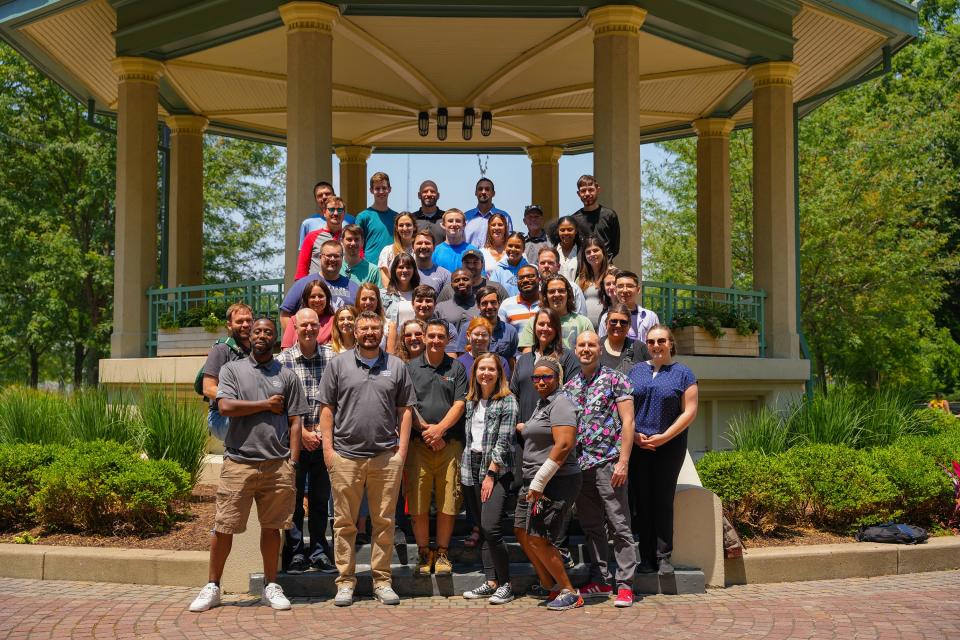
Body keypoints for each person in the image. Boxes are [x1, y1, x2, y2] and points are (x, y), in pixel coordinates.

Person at [189, 317, 308, 613]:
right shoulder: (232, 369)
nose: (262, 335)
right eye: (257, 331)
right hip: (239, 462)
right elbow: (225, 405)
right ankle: (213, 587)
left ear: (276, 338)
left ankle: (271, 585)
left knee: (272, 528)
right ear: (250, 336)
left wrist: (293, 462)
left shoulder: (288, 375)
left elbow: (295, 422)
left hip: (277, 464)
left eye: (268, 331)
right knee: (223, 526)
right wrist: (265, 405)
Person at [317, 311, 415, 607]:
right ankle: (345, 582)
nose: (370, 332)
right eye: (365, 328)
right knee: (344, 523)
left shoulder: (396, 366)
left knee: (384, 522)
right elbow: (327, 410)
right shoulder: (338, 364)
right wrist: (328, 451)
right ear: (355, 332)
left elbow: (405, 410)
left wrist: (401, 453)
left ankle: (382, 581)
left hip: (386, 457)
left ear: (382, 331)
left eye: (375, 328)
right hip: (346, 456)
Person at [565, 331, 637, 607]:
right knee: (592, 526)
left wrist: (623, 461)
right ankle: (600, 579)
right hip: (580, 467)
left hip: (609, 463)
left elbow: (628, 422)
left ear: (599, 349)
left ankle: (625, 585)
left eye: (591, 345)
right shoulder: (570, 385)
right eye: (581, 345)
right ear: (575, 349)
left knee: (619, 525)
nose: (585, 349)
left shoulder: (616, 379)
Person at [627, 324, 699, 575]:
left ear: (670, 344)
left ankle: (664, 556)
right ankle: (646, 558)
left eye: (661, 341)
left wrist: (664, 437)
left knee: (663, 500)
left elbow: (689, 411)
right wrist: (634, 435)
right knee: (642, 501)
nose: (656, 346)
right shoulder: (635, 372)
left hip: (669, 445)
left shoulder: (683, 374)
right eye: (651, 341)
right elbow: (624, 408)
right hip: (638, 444)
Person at [513, 357, 583, 611]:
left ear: (558, 378)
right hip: (533, 479)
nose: (540, 382)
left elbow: (564, 445)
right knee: (522, 531)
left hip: (556, 480)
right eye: (536, 378)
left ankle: (569, 591)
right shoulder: (543, 404)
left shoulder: (561, 403)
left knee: (539, 536)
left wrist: (540, 481)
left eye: (546, 377)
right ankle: (549, 584)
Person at [405, 319, 467, 576]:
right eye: (431, 336)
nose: (435, 340)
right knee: (417, 500)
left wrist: (440, 430)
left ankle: (442, 553)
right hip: (419, 444)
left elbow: (460, 404)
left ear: (447, 339)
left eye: (440, 336)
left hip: (449, 444)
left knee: (447, 501)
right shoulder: (410, 367)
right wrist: (428, 432)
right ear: (424, 337)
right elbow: (407, 405)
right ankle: (423, 552)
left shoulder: (457, 367)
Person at [277, 308, 337, 575]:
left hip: (324, 441)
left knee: (320, 499)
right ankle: (296, 552)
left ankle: (320, 551)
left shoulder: (332, 359)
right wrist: (301, 433)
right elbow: (279, 406)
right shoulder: (283, 361)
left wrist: (323, 434)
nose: (310, 329)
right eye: (304, 325)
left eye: (314, 324)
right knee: (293, 501)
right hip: (294, 442)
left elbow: (338, 400)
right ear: (295, 326)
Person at [460, 353, 518, 604]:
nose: (485, 373)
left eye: (490, 369)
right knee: (482, 528)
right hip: (470, 466)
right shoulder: (470, 401)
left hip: (494, 469)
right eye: (481, 369)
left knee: (492, 527)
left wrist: (491, 474)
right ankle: (490, 581)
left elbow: (504, 443)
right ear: (475, 373)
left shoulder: (508, 401)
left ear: (499, 373)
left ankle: (506, 583)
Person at [510, 308, 581, 428]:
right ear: (534, 327)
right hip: (522, 432)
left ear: (557, 329)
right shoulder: (523, 359)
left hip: (553, 431)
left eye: (550, 325)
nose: (545, 328)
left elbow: (573, 396)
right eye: (541, 324)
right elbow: (513, 395)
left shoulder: (567, 358)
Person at [280, 240, 359, 336]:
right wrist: (296, 338)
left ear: (342, 258)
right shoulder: (302, 284)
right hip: (309, 346)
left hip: (344, 347)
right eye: (328, 256)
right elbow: (285, 315)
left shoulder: (354, 287)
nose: (332, 259)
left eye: (337, 256)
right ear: (320, 257)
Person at [201, 303, 252, 441]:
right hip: (221, 415)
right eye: (240, 321)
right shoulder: (221, 349)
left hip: (248, 411)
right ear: (229, 325)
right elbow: (208, 388)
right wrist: (238, 401)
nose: (246, 324)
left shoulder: (257, 350)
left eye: (249, 320)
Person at [518, 274, 593, 352]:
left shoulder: (584, 323)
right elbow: (527, 354)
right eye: (551, 291)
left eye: (561, 291)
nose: (557, 294)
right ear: (545, 296)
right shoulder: (535, 322)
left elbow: (592, 351)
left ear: (568, 294)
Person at [454, 286, 518, 365]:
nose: (489, 306)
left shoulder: (510, 331)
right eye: (484, 303)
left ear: (499, 303)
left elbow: (512, 363)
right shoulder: (467, 327)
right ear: (478, 305)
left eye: (493, 302)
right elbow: (462, 358)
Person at [296, 196, 351, 279]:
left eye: (339, 210)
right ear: (324, 212)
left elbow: (359, 260)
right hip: (317, 289)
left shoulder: (350, 238)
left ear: (344, 214)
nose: (336, 213)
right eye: (331, 209)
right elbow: (301, 270)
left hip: (343, 289)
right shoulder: (311, 237)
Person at [598, 270, 659, 343]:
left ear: (638, 290)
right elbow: (602, 346)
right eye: (620, 286)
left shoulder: (650, 317)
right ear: (615, 290)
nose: (625, 290)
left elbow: (657, 343)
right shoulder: (606, 318)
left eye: (629, 286)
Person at [570, 175, 620, 259]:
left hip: (606, 267)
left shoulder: (609, 215)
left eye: (590, 190)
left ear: (598, 190)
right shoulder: (574, 219)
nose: (587, 194)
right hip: (583, 269)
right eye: (583, 191)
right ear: (578, 194)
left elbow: (615, 247)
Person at [355, 171, 399, 262]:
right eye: (377, 188)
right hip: (369, 268)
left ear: (390, 189)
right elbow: (357, 245)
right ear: (371, 190)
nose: (381, 192)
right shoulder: (363, 217)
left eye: (384, 188)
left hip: (392, 267)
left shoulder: (397, 217)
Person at [279, 278, 334, 349]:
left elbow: (335, 349)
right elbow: (286, 348)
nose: (317, 300)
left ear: (327, 298)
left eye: (321, 296)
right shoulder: (295, 319)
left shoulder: (334, 321)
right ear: (306, 299)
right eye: (312, 296)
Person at [437, 249, 508, 302]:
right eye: (467, 262)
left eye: (475, 262)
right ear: (462, 264)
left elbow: (507, 310)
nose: (471, 266)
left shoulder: (496, 288)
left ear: (482, 264)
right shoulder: (449, 289)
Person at [382, 253, 420, 352]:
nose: (404, 270)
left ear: (414, 270)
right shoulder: (384, 295)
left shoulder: (419, 295)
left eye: (408, 267)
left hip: (415, 345)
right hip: (392, 346)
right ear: (394, 270)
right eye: (401, 267)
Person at [299, 181, 355, 247]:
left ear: (334, 196)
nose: (324, 197)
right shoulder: (307, 224)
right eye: (320, 195)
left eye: (327, 194)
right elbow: (304, 253)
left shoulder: (351, 220)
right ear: (316, 200)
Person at [601, 302, 650, 373]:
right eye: (613, 321)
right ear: (606, 323)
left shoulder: (640, 348)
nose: (618, 325)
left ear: (629, 326)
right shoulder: (596, 347)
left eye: (623, 322)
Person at [457, 316, 511, 381]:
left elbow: (504, 388)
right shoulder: (459, 363)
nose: (480, 338)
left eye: (484, 335)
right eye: (476, 334)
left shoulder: (501, 362)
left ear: (490, 337)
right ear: (468, 335)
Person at [536, 247, 587, 315]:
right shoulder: (534, 290)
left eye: (550, 262)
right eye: (542, 263)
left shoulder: (573, 288)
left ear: (558, 266)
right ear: (538, 266)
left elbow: (582, 318)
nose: (546, 266)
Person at [465, 178, 513, 248]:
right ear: (475, 193)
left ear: (493, 193)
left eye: (487, 189)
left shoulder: (505, 217)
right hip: (469, 258)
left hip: (496, 258)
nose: (483, 192)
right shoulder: (466, 217)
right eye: (480, 189)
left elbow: (509, 243)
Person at [577, 236, 612, 328]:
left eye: (596, 250)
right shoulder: (581, 278)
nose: (592, 254)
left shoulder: (612, 275)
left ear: (603, 252)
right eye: (588, 252)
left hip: (607, 330)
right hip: (585, 330)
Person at [435, 268, 480, 340]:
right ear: (451, 285)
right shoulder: (440, 308)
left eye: (465, 279)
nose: (461, 282)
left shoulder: (482, 305)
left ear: (473, 282)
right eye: (456, 280)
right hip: (449, 350)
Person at [432, 208, 479, 275]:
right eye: (450, 221)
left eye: (458, 221)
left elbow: (480, 279)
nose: (454, 224)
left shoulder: (474, 252)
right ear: (443, 225)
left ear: (464, 225)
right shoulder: (435, 252)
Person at [498, 264, 541, 332]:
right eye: (521, 278)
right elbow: (501, 334)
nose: (525, 280)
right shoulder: (506, 305)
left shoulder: (547, 301)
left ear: (539, 279)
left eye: (530, 276)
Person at [377, 211, 417, 284]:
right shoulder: (388, 251)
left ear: (414, 227)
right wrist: (393, 294)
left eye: (408, 225)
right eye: (401, 225)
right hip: (393, 293)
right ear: (396, 228)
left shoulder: (418, 251)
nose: (405, 228)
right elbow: (384, 277)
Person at [488, 232, 530, 297]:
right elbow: (492, 292)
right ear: (505, 247)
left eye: (517, 247)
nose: (513, 249)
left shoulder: (529, 269)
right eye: (510, 246)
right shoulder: (498, 270)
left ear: (523, 249)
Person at [412, 228, 451, 293]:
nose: (423, 246)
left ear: (434, 247)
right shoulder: (406, 273)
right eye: (419, 243)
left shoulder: (445, 275)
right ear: (412, 247)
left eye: (427, 243)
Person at [548, 216, 584, 283]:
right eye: (562, 230)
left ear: (576, 231)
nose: (566, 233)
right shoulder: (552, 253)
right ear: (557, 231)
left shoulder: (583, 252)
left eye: (570, 229)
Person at [411, 179, 445, 245]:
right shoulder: (412, 219)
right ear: (419, 195)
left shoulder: (446, 218)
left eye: (432, 191)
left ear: (438, 195)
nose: (429, 194)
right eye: (425, 191)